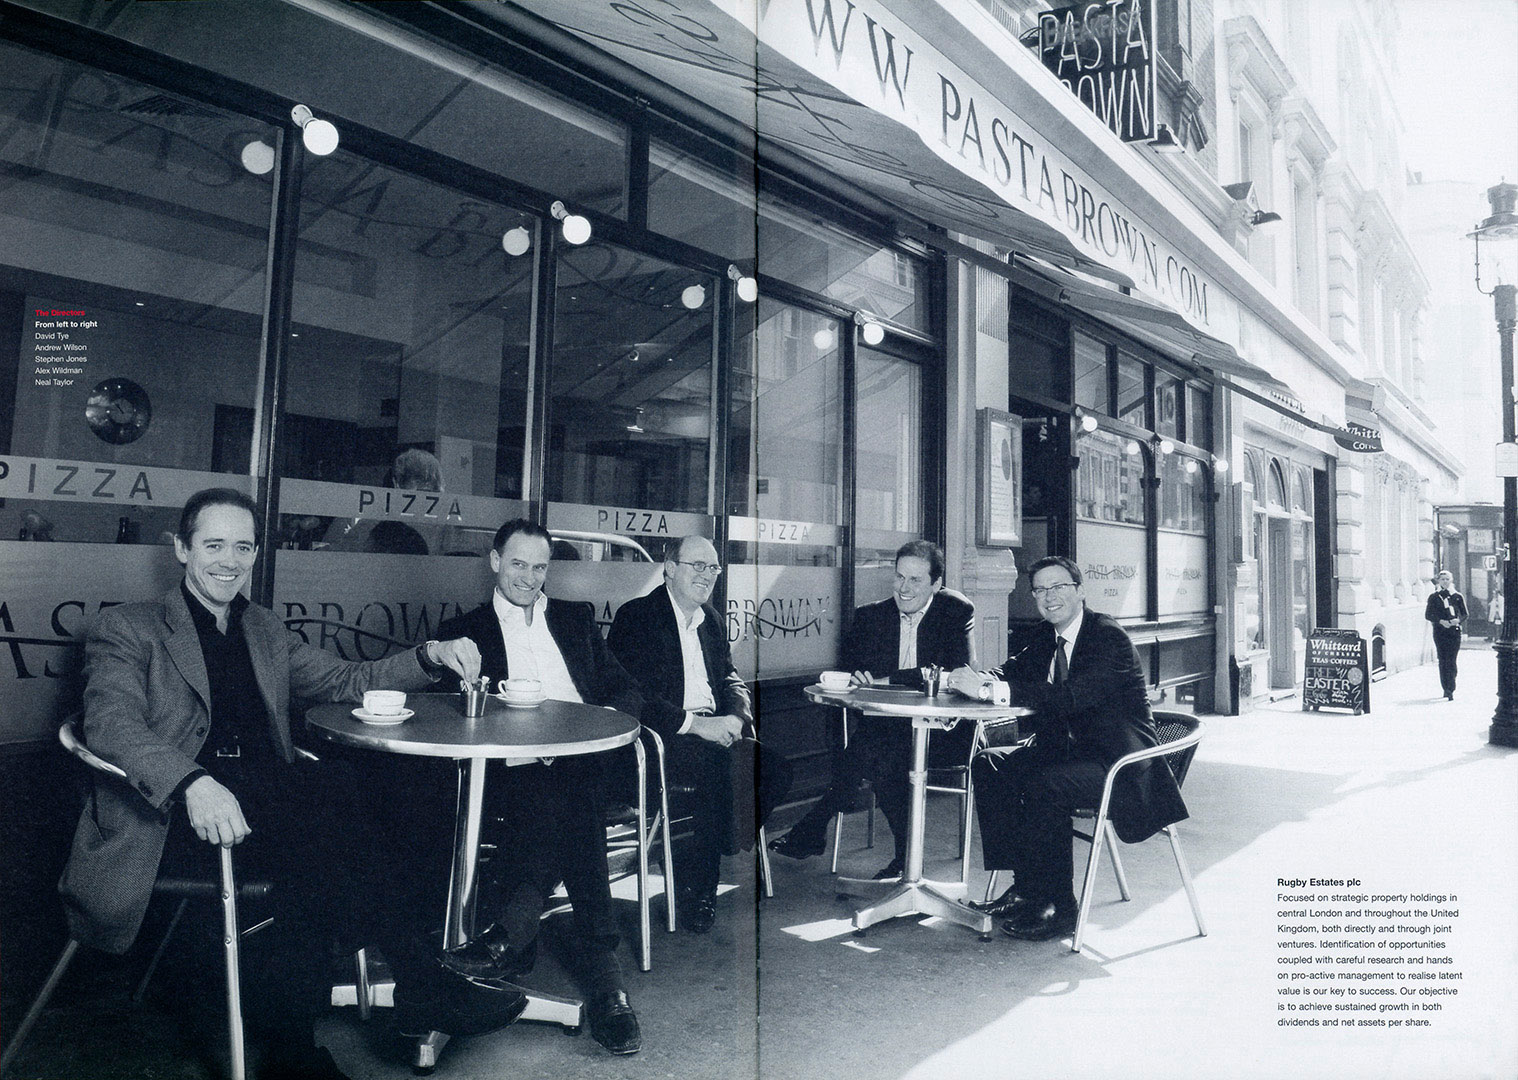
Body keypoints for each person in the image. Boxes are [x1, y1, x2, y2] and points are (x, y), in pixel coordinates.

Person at [56, 488, 517, 1080]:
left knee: (340, 811)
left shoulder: (263, 629)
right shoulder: (129, 628)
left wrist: (430, 655)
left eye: (242, 547)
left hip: (266, 804)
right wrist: (192, 782)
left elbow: (345, 678)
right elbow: (111, 725)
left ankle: (313, 1043)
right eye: (213, 545)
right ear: (181, 549)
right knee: (330, 819)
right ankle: (418, 985)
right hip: (171, 815)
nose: (229, 560)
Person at [434, 519, 644, 1055]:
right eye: (519, 564)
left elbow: (625, 687)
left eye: (540, 567)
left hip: (584, 762)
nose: (529, 577)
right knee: (568, 809)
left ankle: (510, 931)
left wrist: (601, 724)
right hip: (511, 771)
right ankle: (608, 987)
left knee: (569, 794)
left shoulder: (574, 620)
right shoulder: (468, 630)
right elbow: (451, 713)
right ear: (495, 561)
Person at [947, 556, 1187, 943]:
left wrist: (989, 691)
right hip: (1073, 754)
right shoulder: (1046, 636)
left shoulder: (1107, 636)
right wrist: (966, 680)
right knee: (990, 765)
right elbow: (1010, 673)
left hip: (1119, 764)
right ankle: (1026, 887)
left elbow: (1072, 697)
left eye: (1058, 587)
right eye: (1040, 590)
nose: (1048, 596)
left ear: (1080, 592)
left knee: (1046, 785)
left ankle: (1060, 906)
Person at [606, 536, 793, 934]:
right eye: (697, 566)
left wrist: (737, 718)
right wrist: (696, 725)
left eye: (713, 568)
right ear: (670, 567)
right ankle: (699, 890)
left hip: (716, 730)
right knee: (718, 775)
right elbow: (632, 695)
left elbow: (729, 677)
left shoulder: (711, 620)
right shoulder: (637, 617)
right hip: (663, 738)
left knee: (776, 769)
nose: (707, 575)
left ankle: (718, 843)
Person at [769, 539, 974, 879]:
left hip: (943, 731)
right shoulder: (871, 617)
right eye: (899, 577)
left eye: (915, 581)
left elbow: (955, 674)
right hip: (888, 729)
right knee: (882, 752)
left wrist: (889, 677)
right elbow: (852, 672)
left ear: (936, 584)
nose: (903, 588)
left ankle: (815, 826)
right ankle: (907, 861)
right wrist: (861, 676)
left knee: (874, 750)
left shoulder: (955, 612)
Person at [1425, 570, 1468, 701]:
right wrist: (1440, 621)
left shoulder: (1457, 596)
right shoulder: (1434, 597)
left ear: (1451, 580)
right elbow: (1428, 615)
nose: (1445, 581)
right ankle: (1446, 688)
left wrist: (1458, 621)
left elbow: (1465, 614)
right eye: (1442, 579)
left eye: (1447, 579)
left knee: (1452, 660)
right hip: (1440, 632)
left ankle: (1452, 686)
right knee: (1443, 660)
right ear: (1438, 581)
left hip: (1454, 633)